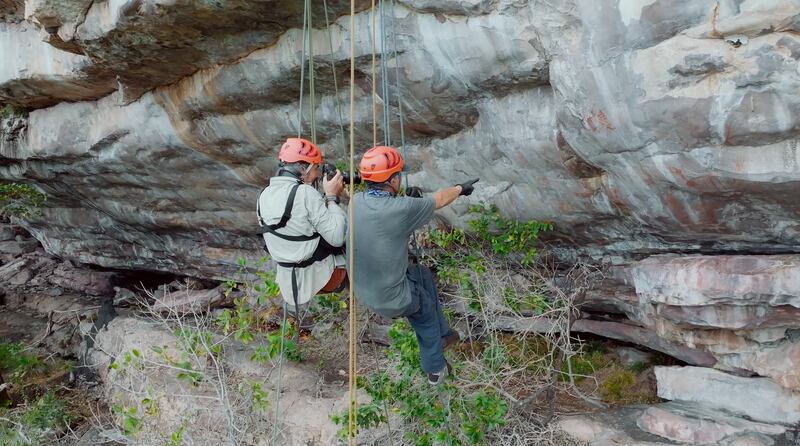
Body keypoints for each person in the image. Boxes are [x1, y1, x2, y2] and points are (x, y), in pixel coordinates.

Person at [348, 146, 479, 385]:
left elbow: (386, 216)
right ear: (394, 179)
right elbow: (439, 199)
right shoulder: (401, 209)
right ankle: (435, 370)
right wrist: (461, 188)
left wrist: (409, 201)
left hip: (366, 292)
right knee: (425, 311)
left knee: (422, 274)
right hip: (392, 299)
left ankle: (446, 335)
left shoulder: (356, 201)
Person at [257, 137, 347, 321]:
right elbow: (338, 238)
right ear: (301, 168)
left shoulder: (263, 196)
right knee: (353, 231)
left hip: (291, 284)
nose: (315, 175)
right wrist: (331, 197)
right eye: (315, 168)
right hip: (325, 279)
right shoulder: (305, 193)